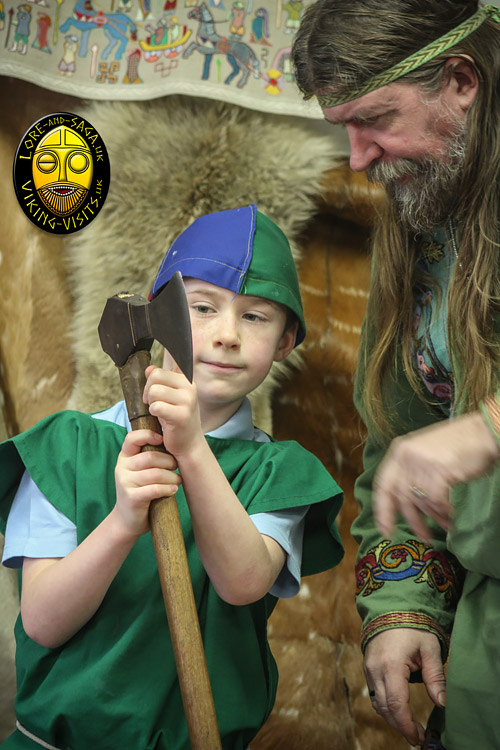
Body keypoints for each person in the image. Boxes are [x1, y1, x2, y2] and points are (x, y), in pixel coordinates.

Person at [0, 204, 344, 750]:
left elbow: (243, 581)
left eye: (255, 316)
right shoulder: (67, 448)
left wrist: (191, 451)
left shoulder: (279, 473)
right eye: (203, 307)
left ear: (285, 342)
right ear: (160, 312)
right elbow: (41, 621)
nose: (227, 334)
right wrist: (120, 523)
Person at [292, 3, 500, 749]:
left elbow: (462, 441)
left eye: (375, 119)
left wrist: (488, 431)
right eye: (342, 126)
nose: (356, 158)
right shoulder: (420, 219)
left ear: (461, 80)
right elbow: (402, 444)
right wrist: (405, 607)